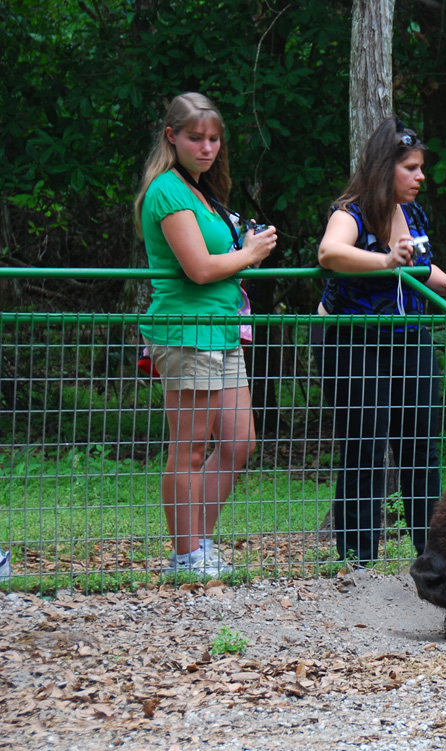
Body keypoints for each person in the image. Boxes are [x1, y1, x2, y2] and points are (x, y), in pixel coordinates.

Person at [316, 117, 446, 571]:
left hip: (410, 339)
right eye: (411, 168)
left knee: (421, 445)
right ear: (386, 169)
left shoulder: (415, 214)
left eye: (421, 167)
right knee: (365, 443)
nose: (421, 177)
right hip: (354, 339)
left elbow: (423, 268)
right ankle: (357, 560)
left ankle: (433, 558)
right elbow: (330, 254)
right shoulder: (350, 212)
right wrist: (385, 259)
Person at [135, 92, 278, 576]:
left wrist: (244, 251)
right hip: (186, 331)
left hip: (222, 331)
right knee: (190, 447)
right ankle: (186, 554)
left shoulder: (203, 191)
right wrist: (252, 252)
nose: (207, 147)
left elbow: (221, 262)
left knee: (240, 443)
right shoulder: (167, 191)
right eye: (196, 138)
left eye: (214, 138)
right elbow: (198, 269)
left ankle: (198, 542)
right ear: (172, 136)